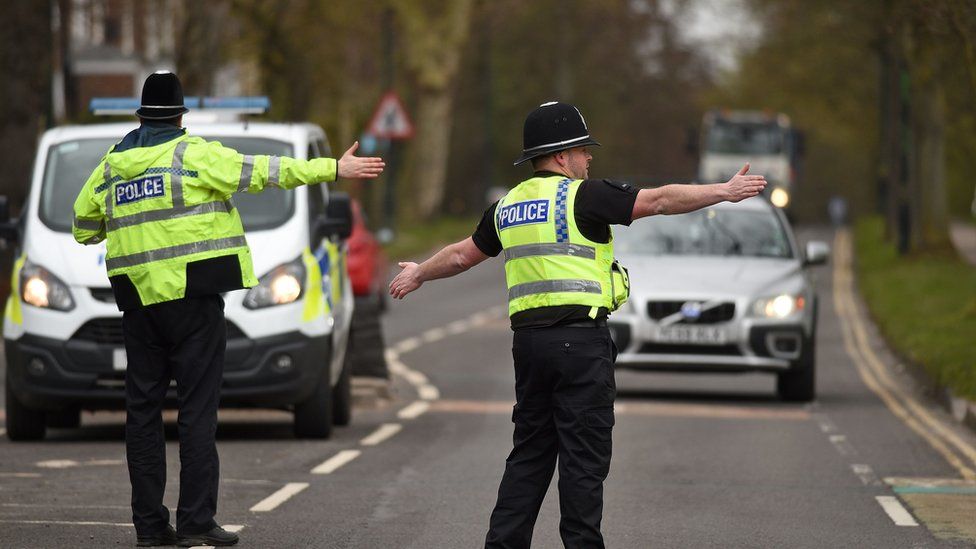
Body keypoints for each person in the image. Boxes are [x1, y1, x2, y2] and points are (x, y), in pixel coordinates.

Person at [388, 101, 766, 548]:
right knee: (583, 466)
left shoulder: (507, 206)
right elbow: (660, 200)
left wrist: (419, 273)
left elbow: (461, 255)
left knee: (528, 458)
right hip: (580, 347)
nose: (590, 158)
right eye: (584, 150)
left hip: (529, 348)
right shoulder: (582, 196)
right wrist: (722, 191)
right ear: (562, 156)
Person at [72, 71, 384, 547]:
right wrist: (332, 170)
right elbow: (265, 171)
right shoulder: (193, 154)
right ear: (180, 114)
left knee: (142, 414)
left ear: (141, 115)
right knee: (197, 412)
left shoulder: (112, 167)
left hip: (138, 306)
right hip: (194, 304)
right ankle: (196, 519)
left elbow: (82, 224)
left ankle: (150, 528)